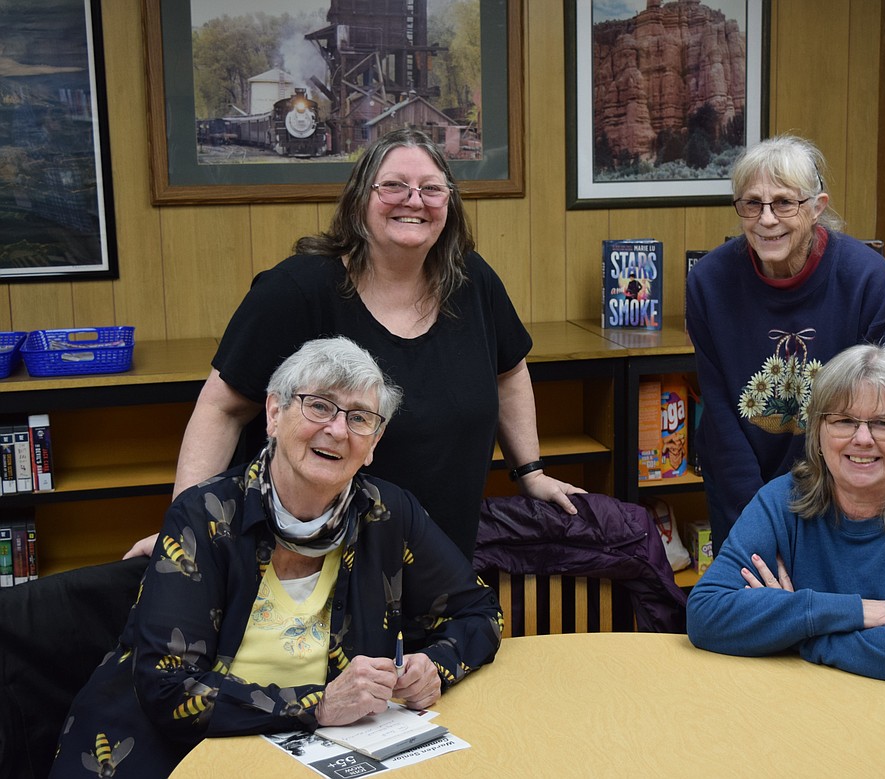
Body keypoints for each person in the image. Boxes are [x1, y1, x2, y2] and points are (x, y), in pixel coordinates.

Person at [51, 337, 502, 777]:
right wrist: (318, 704)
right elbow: (169, 690)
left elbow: (479, 611)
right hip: (170, 754)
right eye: (319, 406)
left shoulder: (387, 514)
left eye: (360, 418)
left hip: (306, 757)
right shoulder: (204, 517)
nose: (338, 430)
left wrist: (435, 667)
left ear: (374, 443)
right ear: (273, 413)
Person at [127, 127, 582, 562]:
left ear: (450, 203)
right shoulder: (295, 290)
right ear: (361, 198)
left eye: (432, 189)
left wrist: (531, 472)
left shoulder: (472, 280)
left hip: (441, 556)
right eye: (394, 186)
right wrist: (181, 525)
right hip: (308, 566)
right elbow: (221, 409)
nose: (414, 201)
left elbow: (510, 372)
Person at [686, 344, 885, 707]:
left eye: (884, 423)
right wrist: (850, 611)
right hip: (826, 713)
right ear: (818, 432)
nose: (862, 438)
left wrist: (798, 632)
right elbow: (705, 615)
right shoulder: (781, 501)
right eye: (844, 421)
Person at [685, 134, 885, 553]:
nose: (767, 219)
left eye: (785, 203)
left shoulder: (867, 277)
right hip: (738, 477)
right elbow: (717, 406)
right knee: (758, 600)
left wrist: (834, 497)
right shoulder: (708, 281)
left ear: (817, 207)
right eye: (752, 203)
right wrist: (756, 520)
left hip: (844, 477)